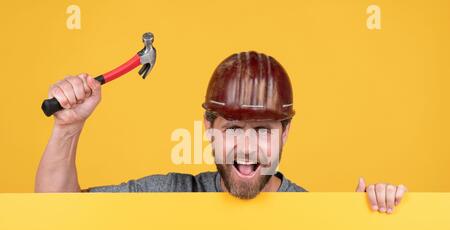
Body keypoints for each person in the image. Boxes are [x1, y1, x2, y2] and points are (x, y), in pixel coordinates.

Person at [35, 51, 407, 213]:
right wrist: (68, 127)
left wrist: (368, 226)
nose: (248, 148)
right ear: (208, 128)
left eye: (262, 129)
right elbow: (56, 214)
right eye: (232, 129)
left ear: (286, 132)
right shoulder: (169, 196)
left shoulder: (313, 216)